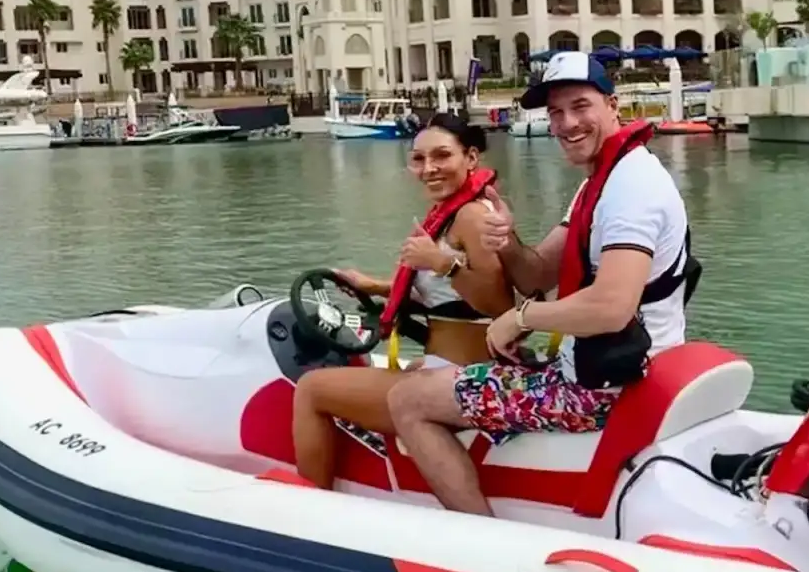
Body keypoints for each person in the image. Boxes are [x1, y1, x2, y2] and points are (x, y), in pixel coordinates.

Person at [385, 51, 695, 516]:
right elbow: (535, 274)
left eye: (580, 105)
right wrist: (505, 238)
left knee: (407, 399)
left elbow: (611, 306)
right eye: (555, 112)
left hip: (605, 388)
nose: (567, 122)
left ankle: (484, 541)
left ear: (613, 105)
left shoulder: (633, 189)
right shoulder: (602, 179)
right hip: (594, 365)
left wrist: (519, 318)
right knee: (427, 377)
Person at [291, 113, 512, 489]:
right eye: (419, 159)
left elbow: (499, 306)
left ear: (471, 158)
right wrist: (373, 286)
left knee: (311, 389)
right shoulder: (455, 212)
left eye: (442, 156)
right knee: (401, 372)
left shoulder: (472, 217)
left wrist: (441, 262)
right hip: (447, 365)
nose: (429, 168)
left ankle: (314, 504)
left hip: (459, 376)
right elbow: (451, 300)